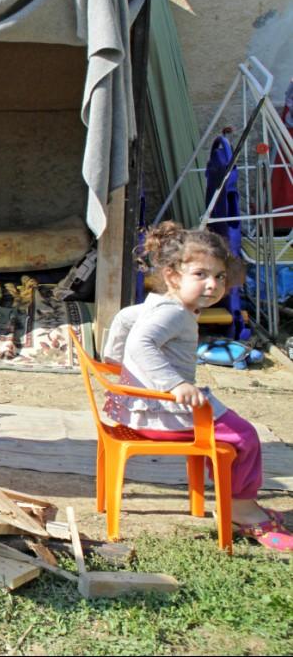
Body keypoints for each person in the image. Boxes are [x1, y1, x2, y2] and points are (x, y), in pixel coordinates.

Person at [103, 222, 291, 551]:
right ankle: (242, 511)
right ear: (173, 276)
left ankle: (233, 496)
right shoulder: (174, 313)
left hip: (141, 409)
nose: (212, 285)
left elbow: (124, 319)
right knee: (245, 436)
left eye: (218, 276)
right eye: (200, 275)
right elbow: (141, 344)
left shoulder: (158, 304)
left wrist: (112, 361)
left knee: (230, 433)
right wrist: (173, 382)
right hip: (165, 415)